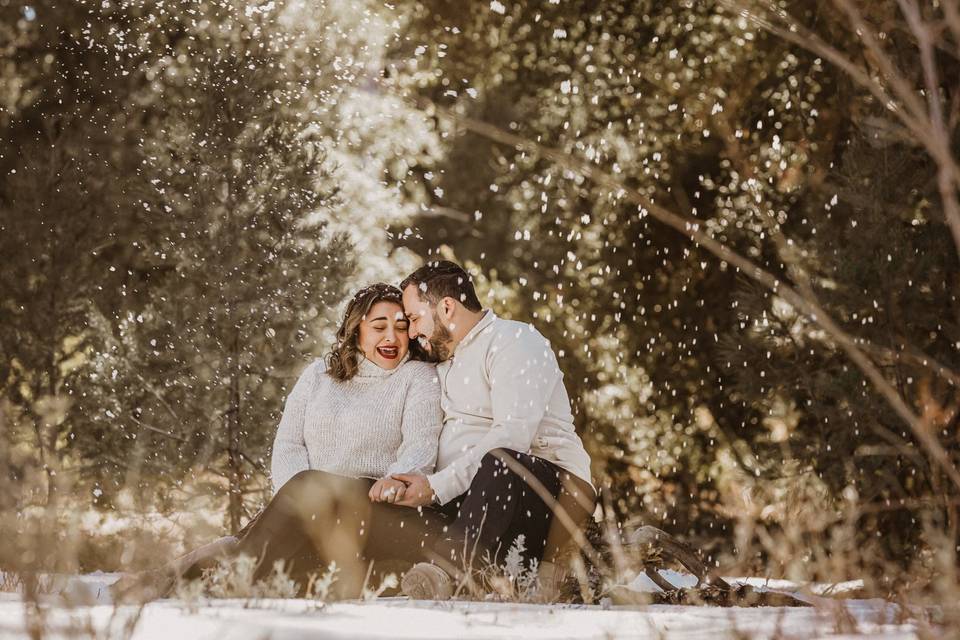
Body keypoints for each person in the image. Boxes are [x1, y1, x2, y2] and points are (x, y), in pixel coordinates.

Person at [113, 283, 445, 600]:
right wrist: (296, 506)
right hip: (311, 509)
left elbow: (420, 446)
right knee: (287, 551)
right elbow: (288, 444)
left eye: (401, 327)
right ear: (356, 329)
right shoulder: (319, 375)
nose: (392, 336)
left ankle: (220, 578)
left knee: (276, 520)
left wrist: (395, 481)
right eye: (379, 326)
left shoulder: (417, 377)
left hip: (372, 506)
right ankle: (167, 579)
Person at [390, 261, 596, 602]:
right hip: (473, 507)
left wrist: (435, 488)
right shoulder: (440, 361)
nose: (411, 333)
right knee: (377, 504)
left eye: (414, 319)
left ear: (446, 307)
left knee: (502, 462)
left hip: (551, 497)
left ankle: (446, 572)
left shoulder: (515, 340)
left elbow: (512, 437)